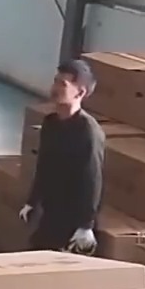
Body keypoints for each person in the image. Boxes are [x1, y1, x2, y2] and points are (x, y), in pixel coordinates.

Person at [22, 60, 105, 254]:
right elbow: (43, 165)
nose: (55, 88)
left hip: (73, 219)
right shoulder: (51, 123)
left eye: (63, 84)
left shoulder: (88, 131)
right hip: (51, 211)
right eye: (55, 81)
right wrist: (32, 201)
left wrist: (86, 225)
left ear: (80, 93)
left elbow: (92, 179)